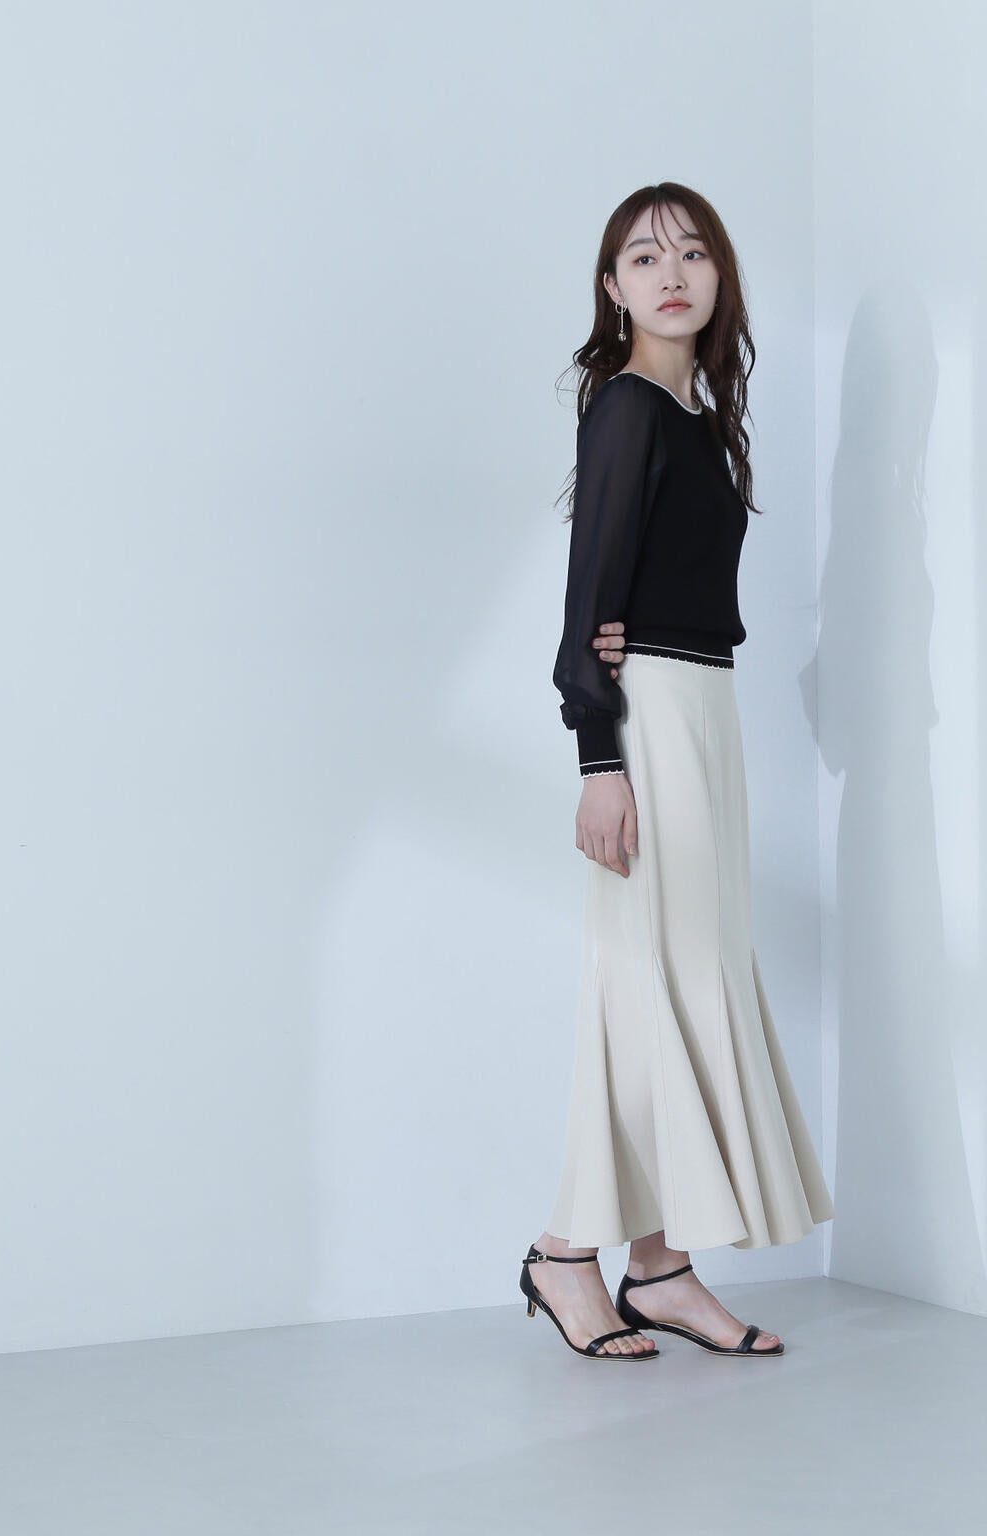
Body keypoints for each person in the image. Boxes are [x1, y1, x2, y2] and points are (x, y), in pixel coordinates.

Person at [519, 184, 835, 1362]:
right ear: (611, 289)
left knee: (676, 976)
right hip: (645, 720)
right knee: (647, 980)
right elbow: (585, 611)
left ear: (718, 278)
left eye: (691, 253)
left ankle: (655, 1268)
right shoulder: (625, 408)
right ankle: (566, 1253)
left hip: (701, 714)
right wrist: (599, 758)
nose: (670, 274)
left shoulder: (695, 418)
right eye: (643, 258)